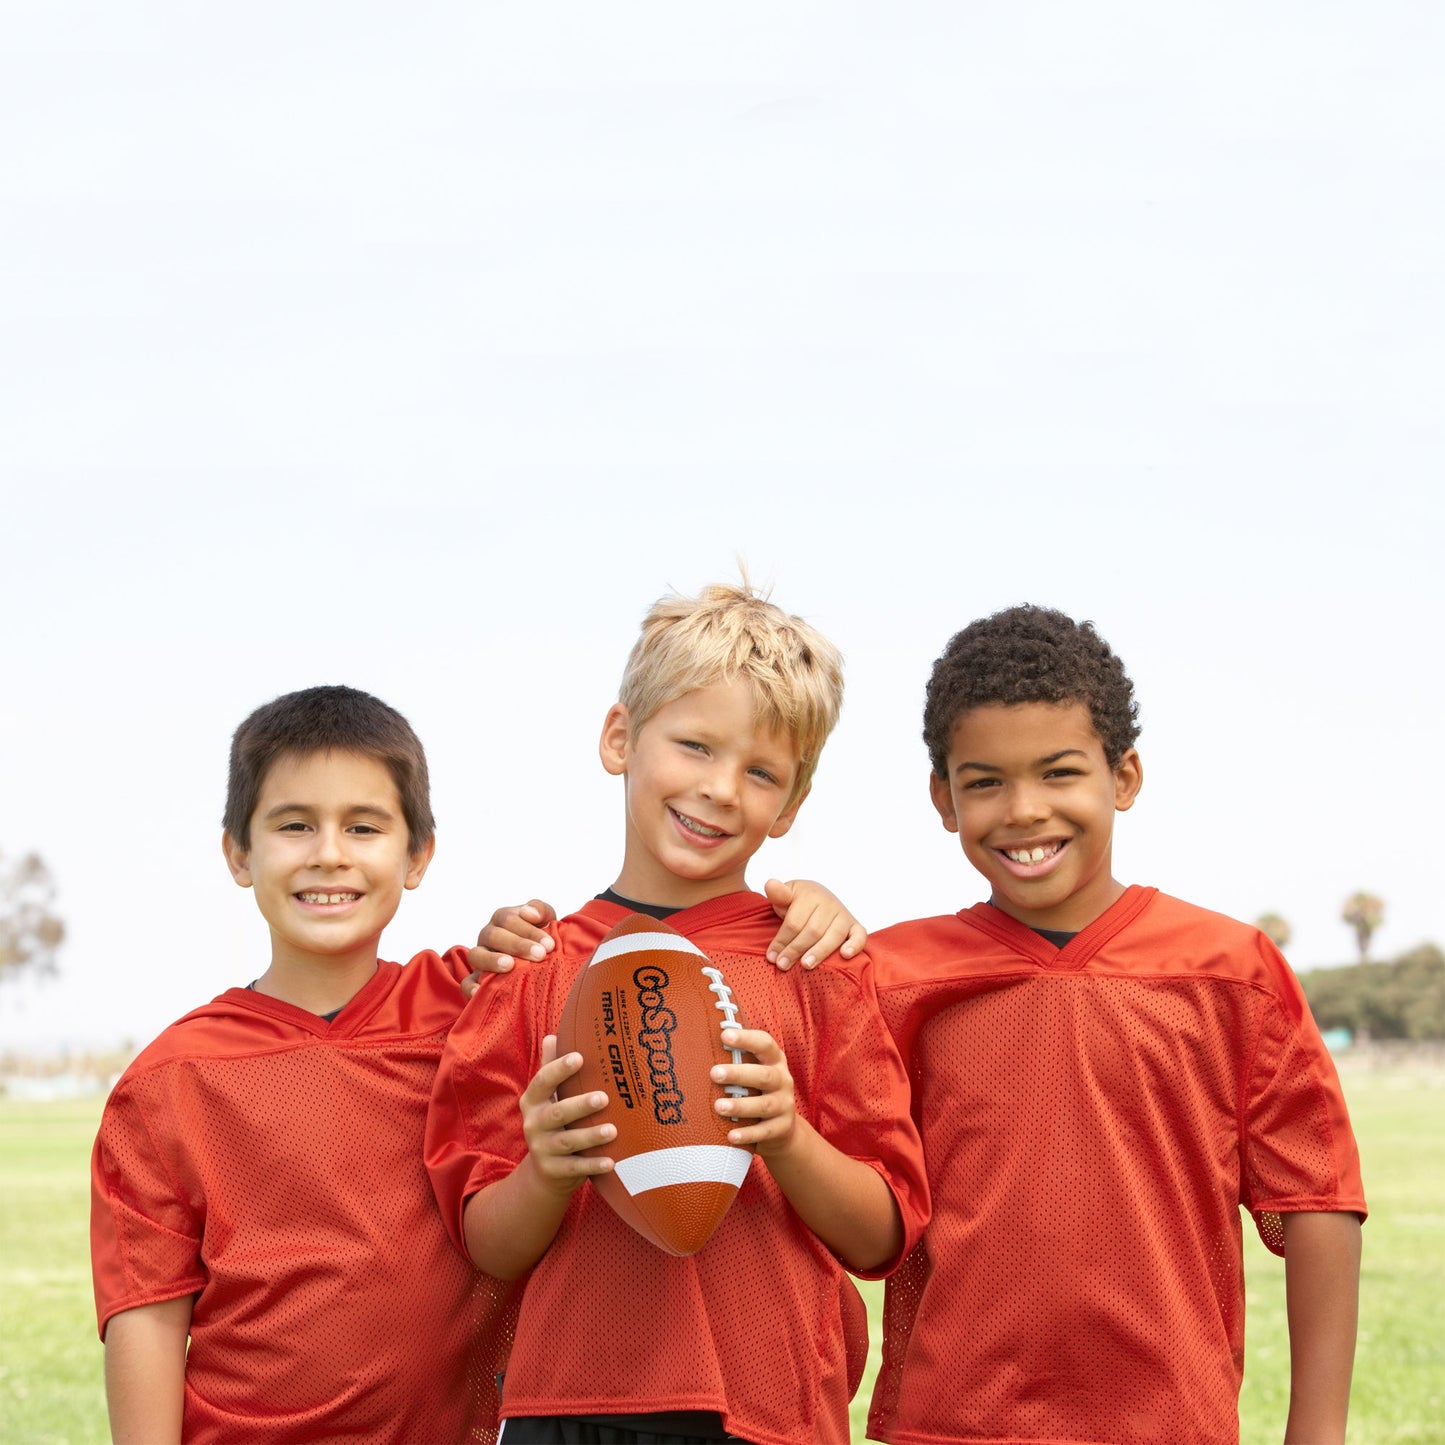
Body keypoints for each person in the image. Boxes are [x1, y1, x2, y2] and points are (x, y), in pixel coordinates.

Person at [426, 582, 931, 1445]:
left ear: (792, 802)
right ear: (620, 738)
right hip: (566, 1408)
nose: (720, 789)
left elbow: (882, 1235)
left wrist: (787, 1135)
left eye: (761, 771)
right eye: (694, 745)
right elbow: (486, 1244)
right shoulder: (533, 966)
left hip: (768, 1410)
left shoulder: (813, 962)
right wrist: (546, 1168)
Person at [863, 605, 1366, 1445]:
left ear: (1122, 777)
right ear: (942, 798)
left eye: (1058, 772)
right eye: (984, 781)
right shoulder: (887, 975)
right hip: (952, 1425)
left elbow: (1314, 1200)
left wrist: (1314, 1435)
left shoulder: (1227, 968)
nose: (1022, 809)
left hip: (1168, 1423)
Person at [89, 685, 515, 1444]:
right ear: (239, 853)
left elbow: (625, 953)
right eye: (294, 824)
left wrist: (800, 907)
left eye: (362, 825)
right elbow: (147, 1320)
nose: (329, 852)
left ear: (417, 854)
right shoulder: (170, 1080)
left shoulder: (473, 1010)